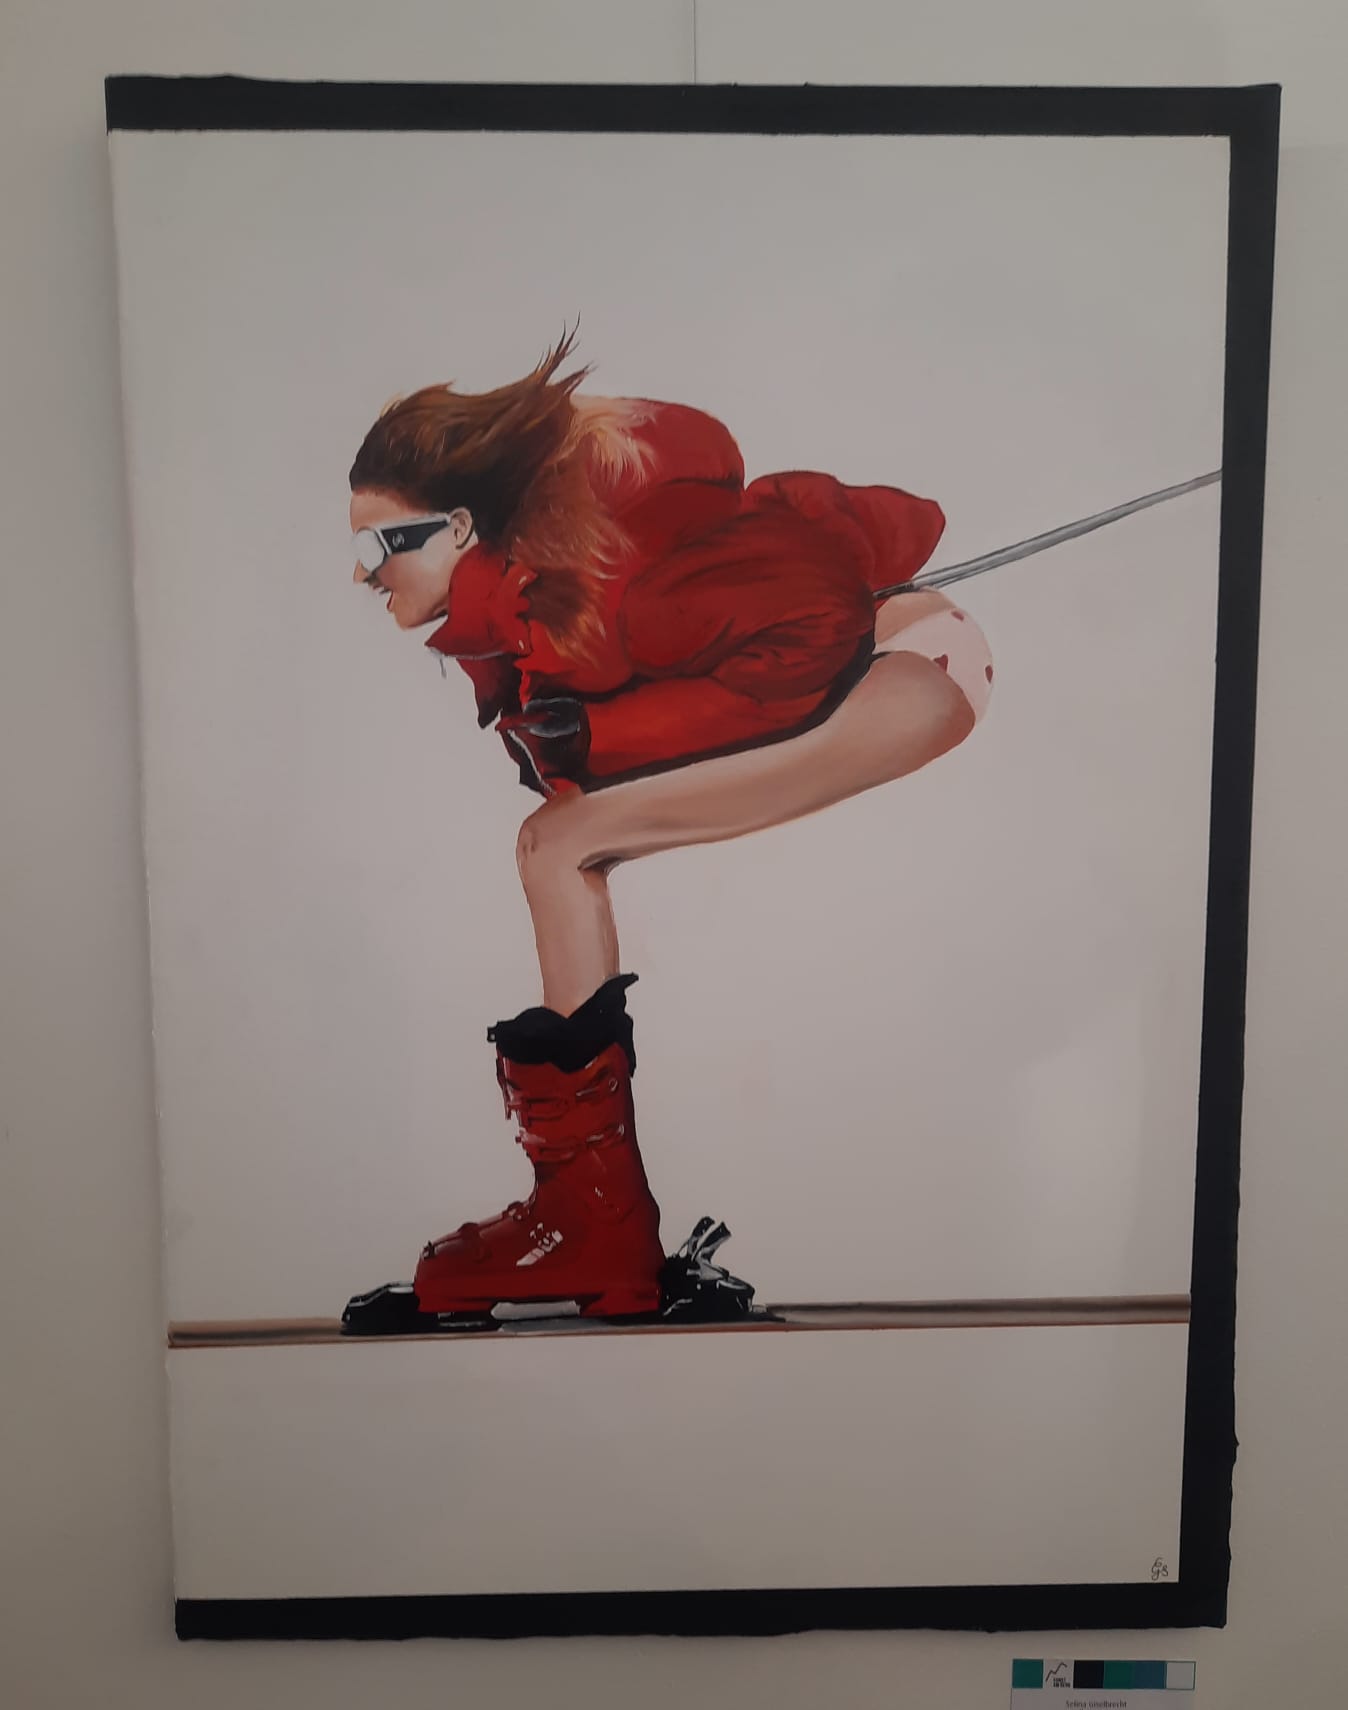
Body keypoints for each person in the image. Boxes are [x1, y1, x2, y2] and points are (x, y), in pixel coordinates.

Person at [345, 335, 992, 1323]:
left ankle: (595, 1225)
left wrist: (602, 735)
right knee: (558, 842)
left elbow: (814, 624)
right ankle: (594, 1221)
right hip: (879, 670)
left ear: (463, 526)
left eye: (383, 547)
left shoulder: (620, 575)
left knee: (558, 845)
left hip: (912, 670)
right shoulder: (540, 581)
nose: (365, 575)